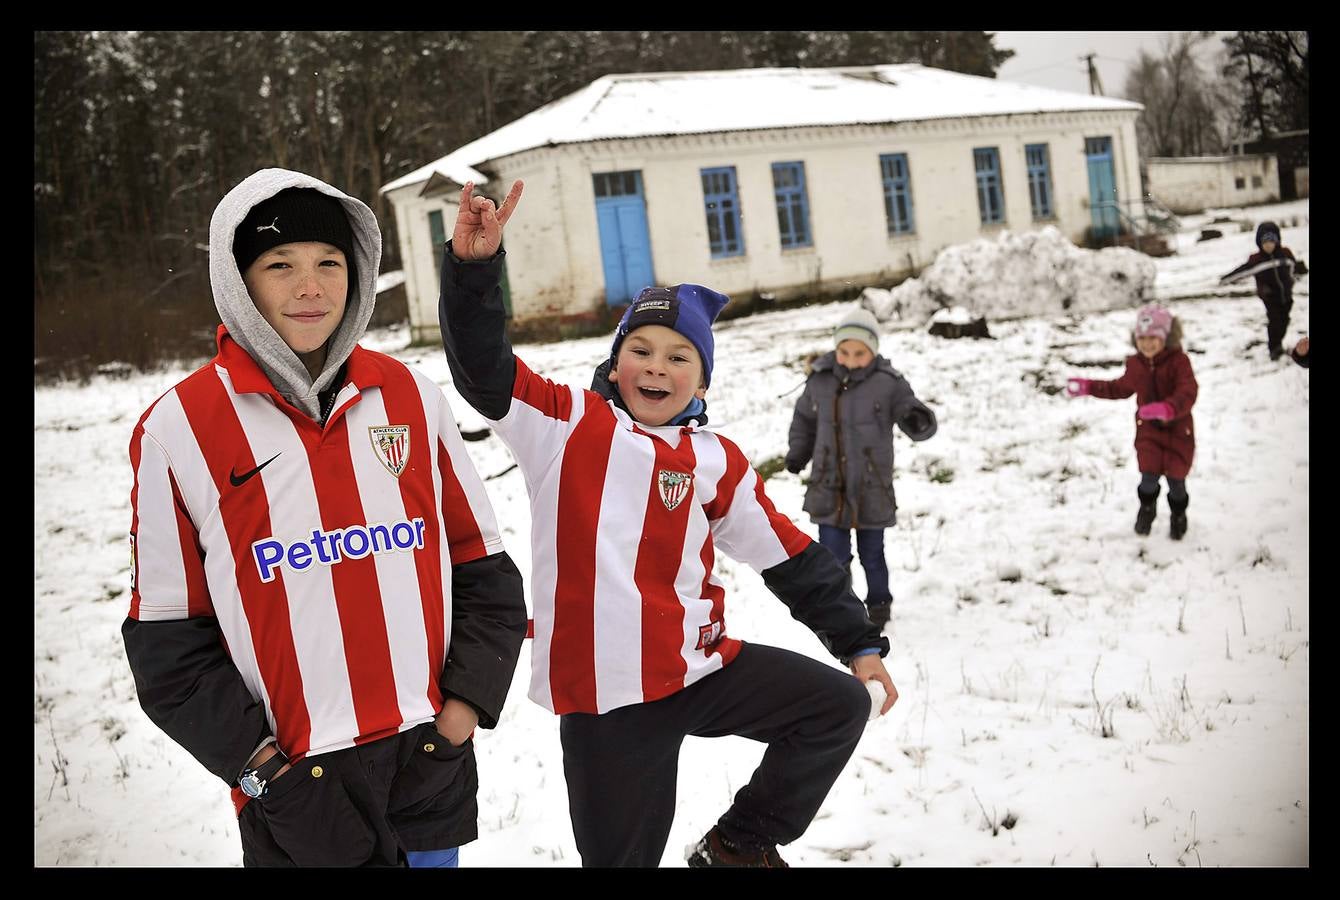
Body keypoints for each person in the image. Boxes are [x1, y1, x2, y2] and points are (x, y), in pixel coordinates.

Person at [439, 180, 896, 868]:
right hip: (609, 700)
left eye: (679, 357)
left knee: (836, 707)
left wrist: (858, 641)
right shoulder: (565, 425)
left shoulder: (718, 462)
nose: (658, 366)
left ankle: (739, 844)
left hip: (701, 668)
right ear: (616, 363)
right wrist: (474, 272)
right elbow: (483, 369)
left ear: (702, 381)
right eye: (642, 350)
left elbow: (791, 558)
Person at [121, 168, 528, 867]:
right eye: (281, 265)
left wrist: (458, 718)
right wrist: (264, 774)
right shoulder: (178, 429)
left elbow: (485, 573)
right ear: (238, 280)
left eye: (329, 263)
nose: (310, 287)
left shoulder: (408, 395)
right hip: (296, 789)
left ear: (359, 271)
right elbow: (167, 652)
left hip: (427, 763)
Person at [784, 307, 937, 630]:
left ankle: (879, 603)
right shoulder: (821, 380)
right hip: (829, 485)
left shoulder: (888, 383)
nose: (851, 359)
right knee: (833, 558)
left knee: (872, 555)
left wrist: (917, 420)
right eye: (844, 351)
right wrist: (799, 453)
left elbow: (910, 410)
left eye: (860, 353)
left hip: (871, 486)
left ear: (873, 351)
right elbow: (805, 421)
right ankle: (845, 609)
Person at [1066, 305, 1198, 540]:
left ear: (1166, 338)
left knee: (1177, 482)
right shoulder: (1136, 366)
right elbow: (1118, 388)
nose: (1147, 344)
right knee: (1148, 478)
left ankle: (1179, 514)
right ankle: (1147, 508)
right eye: (1142, 338)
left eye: (1153, 338)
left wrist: (1169, 408)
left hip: (1179, 433)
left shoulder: (1179, 362)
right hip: (1149, 434)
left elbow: (1188, 391)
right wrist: (1089, 386)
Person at [1219, 221, 1307, 361]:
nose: (1268, 245)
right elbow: (1242, 271)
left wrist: (1295, 277)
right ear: (1259, 243)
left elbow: (1295, 266)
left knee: (1285, 321)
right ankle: (1274, 349)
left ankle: (1278, 342)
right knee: (1275, 322)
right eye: (1264, 242)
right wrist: (1225, 279)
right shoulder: (1257, 260)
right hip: (1270, 297)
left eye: (1271, 241)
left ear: (1277, 241)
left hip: (1286, 295)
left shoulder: (1285, 254)